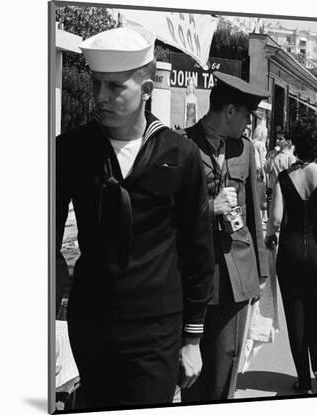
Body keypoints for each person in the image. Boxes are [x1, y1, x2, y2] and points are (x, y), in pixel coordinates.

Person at [56, 27, 215, 409]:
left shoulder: (180, 154)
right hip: (91, 321)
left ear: (146, 89)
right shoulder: (71, 150)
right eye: (96, 84)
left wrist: (192, 339)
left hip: (156, 327)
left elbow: (198, 252)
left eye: (114, 87)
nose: (100, 97)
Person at [181, 71, 270, 402]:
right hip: (195, 275)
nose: (249, 123)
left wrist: (260, 274)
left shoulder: (245, 150)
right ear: (230, 111)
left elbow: (253, 212)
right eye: (246, 114)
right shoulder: (183, 145)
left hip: (236, 273)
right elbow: (171, 214)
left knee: (226, 362)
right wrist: (208, 208)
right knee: (191, 370)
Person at [264, 116, 317, 394]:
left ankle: (303, 378)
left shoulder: (285, 179)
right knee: (313, 306)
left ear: (296, 145)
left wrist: (268, 239)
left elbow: (275, 221)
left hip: (289, 250)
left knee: (294, 312)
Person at [264, 131, 297, 215]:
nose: (277, 141)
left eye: (280, 139)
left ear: (287, 141)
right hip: (272, 189)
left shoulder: (290, 157)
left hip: (284, 190)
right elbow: (267, 169)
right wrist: (272, 155)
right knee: (270, 217)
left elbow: (294, 174)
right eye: (277, 139)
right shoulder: (272, 154)